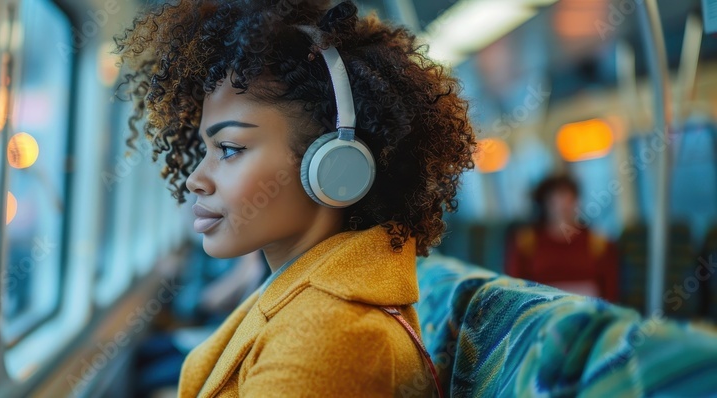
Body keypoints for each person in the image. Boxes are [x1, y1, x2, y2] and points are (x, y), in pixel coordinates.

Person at [116, 0, 475, 395]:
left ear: (334, 167)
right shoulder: (300, 291)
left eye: (230, 148)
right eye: (205, 149)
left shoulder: (331, 340)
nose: (195, 180)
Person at [505, 174, 619, 302]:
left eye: (568, 198)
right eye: (556, 199)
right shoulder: (525, 242)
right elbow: (515, 289)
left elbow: (610, 292)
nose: (563, 205)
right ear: (545, 203)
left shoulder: (599, 243)